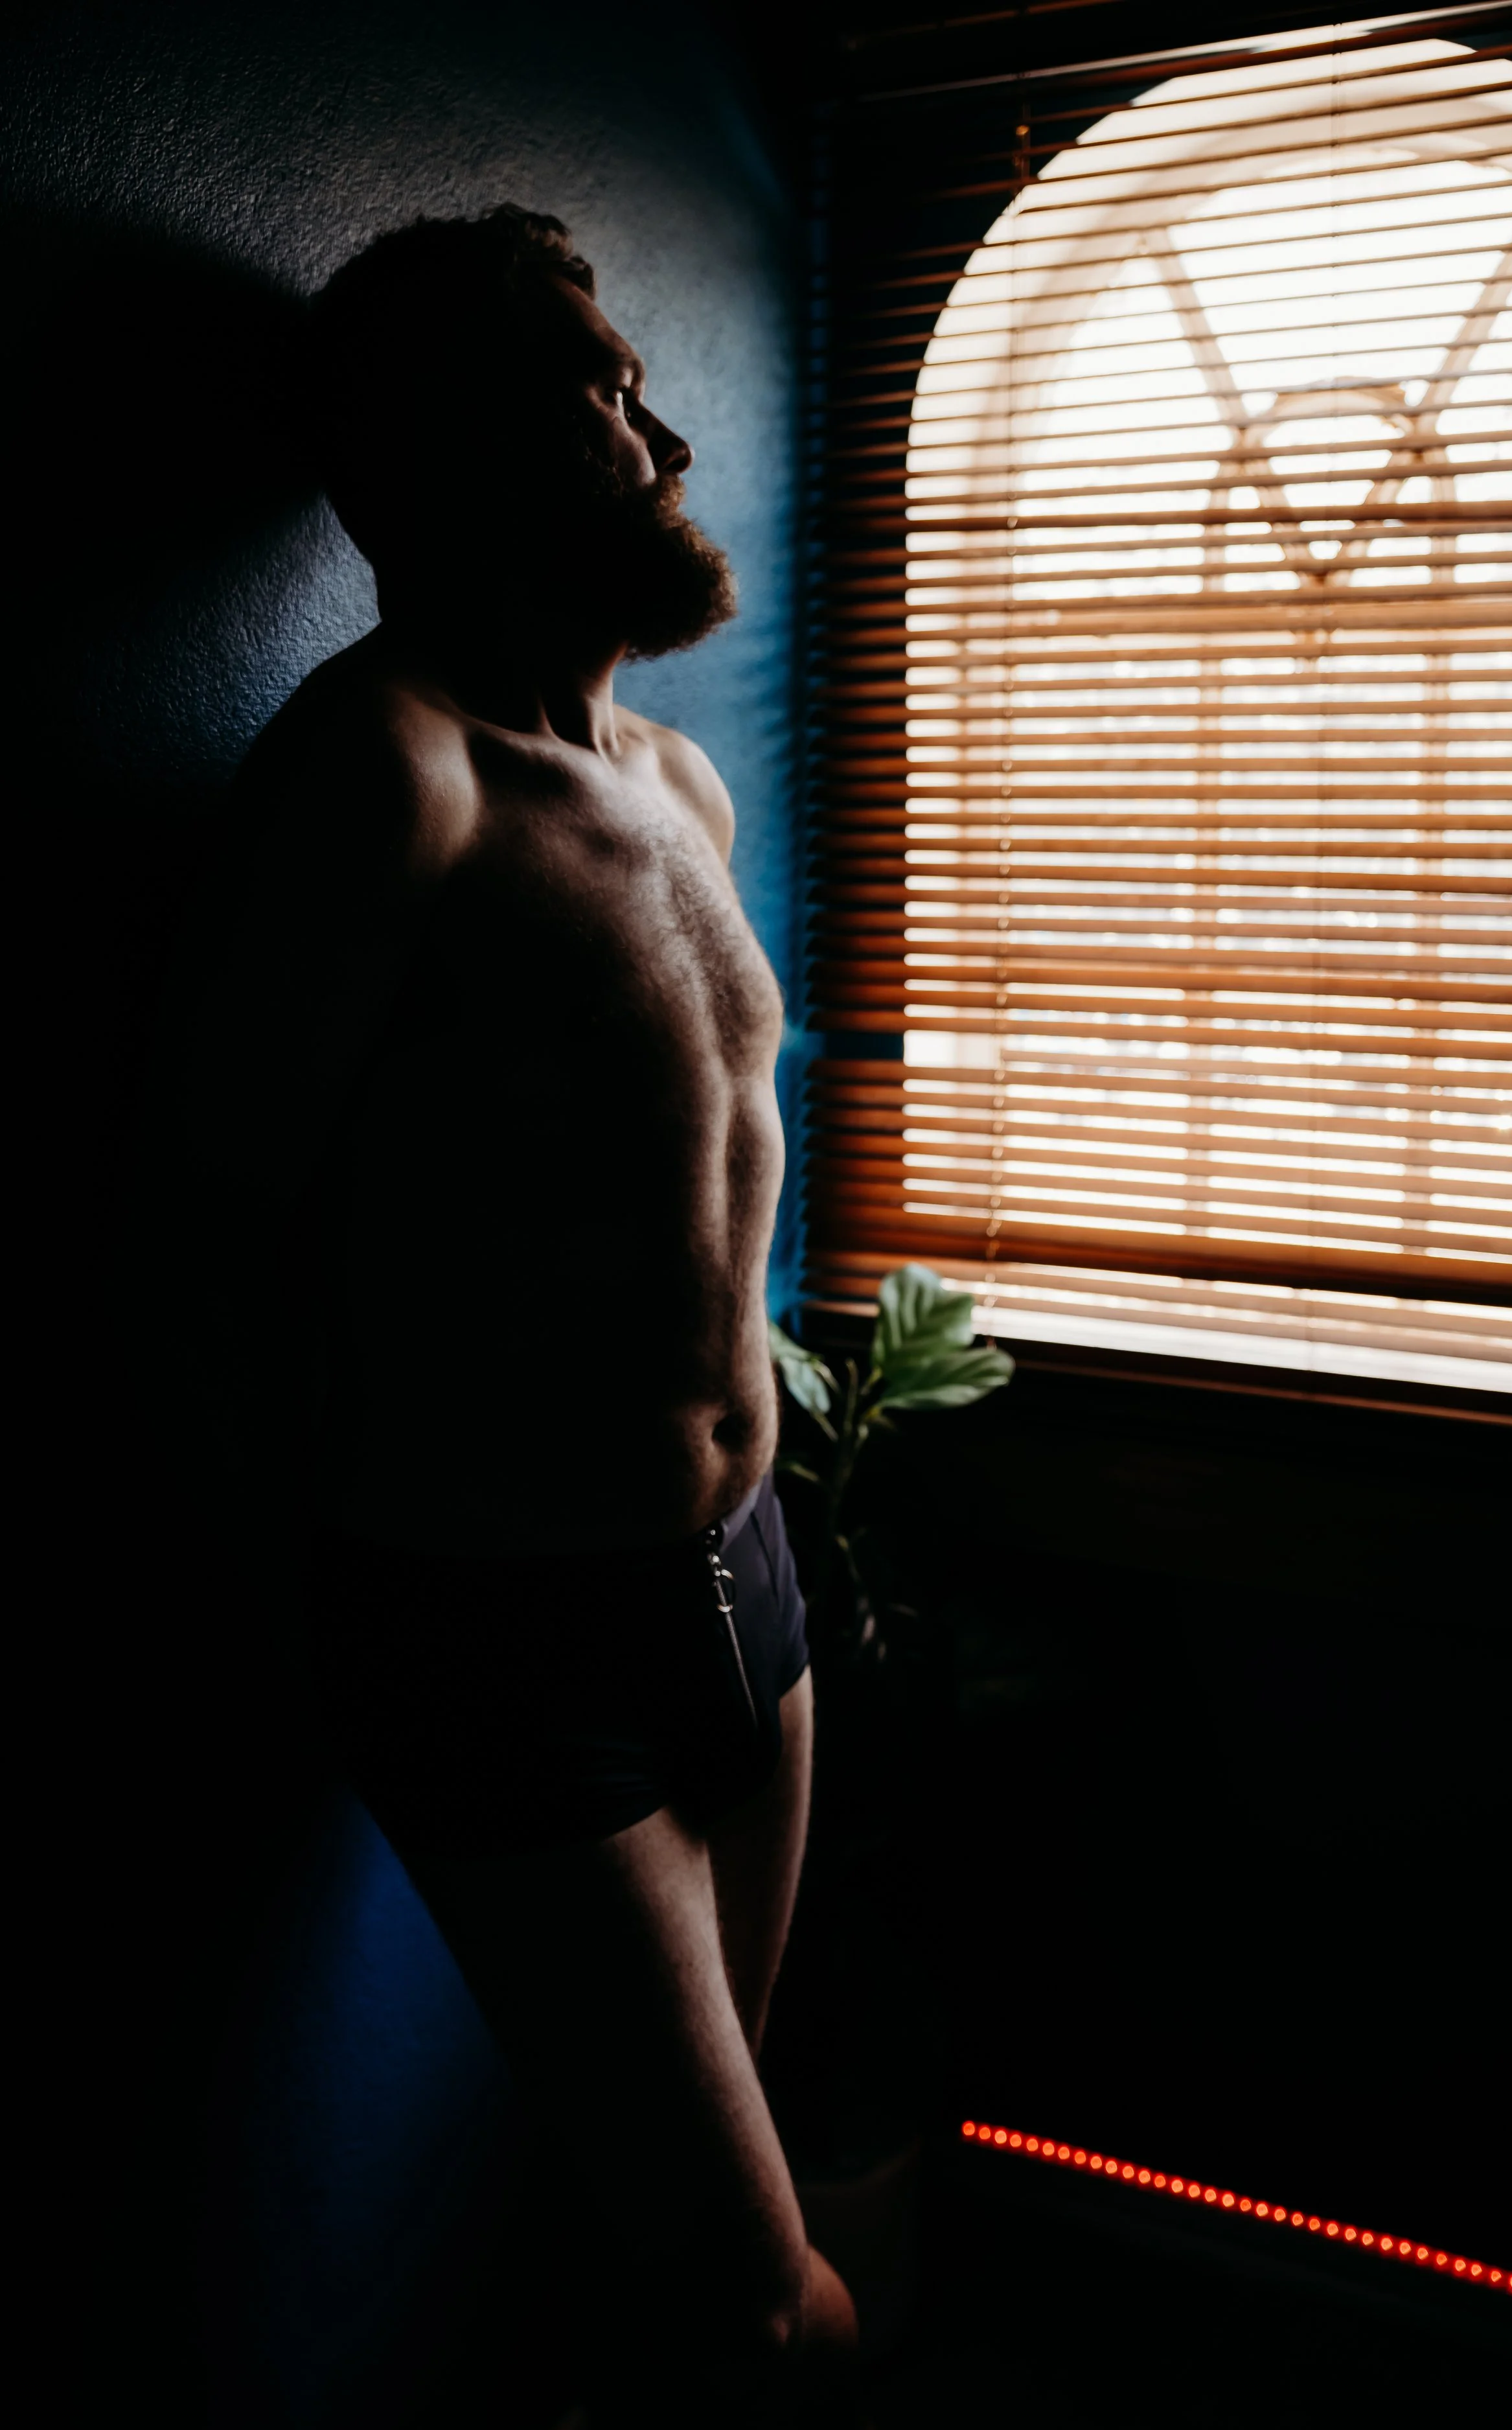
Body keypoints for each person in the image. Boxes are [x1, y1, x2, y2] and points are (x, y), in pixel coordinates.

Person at [150, 206, 860, 2424]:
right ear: (442, 454)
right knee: (771, 2308)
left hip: (745, 1592)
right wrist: (364, 1606)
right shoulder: (384, 778)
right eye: (591, 388)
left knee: (654, 2237)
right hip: (511, 1630)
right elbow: (217, 1237)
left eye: (639, 381)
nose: (654, 434)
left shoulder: (674, 783)